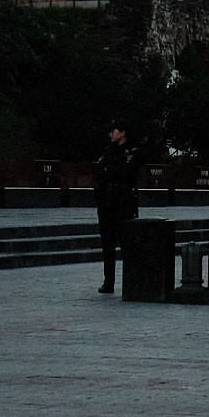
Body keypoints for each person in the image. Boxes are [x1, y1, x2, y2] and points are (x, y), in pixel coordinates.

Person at [92, 122, 138, 294]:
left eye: (114, 131)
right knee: (107, 243)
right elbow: (99, 170)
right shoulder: (108, 151)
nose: (111, 134)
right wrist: (110, 170)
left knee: (126, 243)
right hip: (106, 202)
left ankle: (130, 282)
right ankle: (108, 281)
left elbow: (126, 172)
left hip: (123, 202)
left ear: (123, 132)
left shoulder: (131, 151)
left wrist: (109, 170)